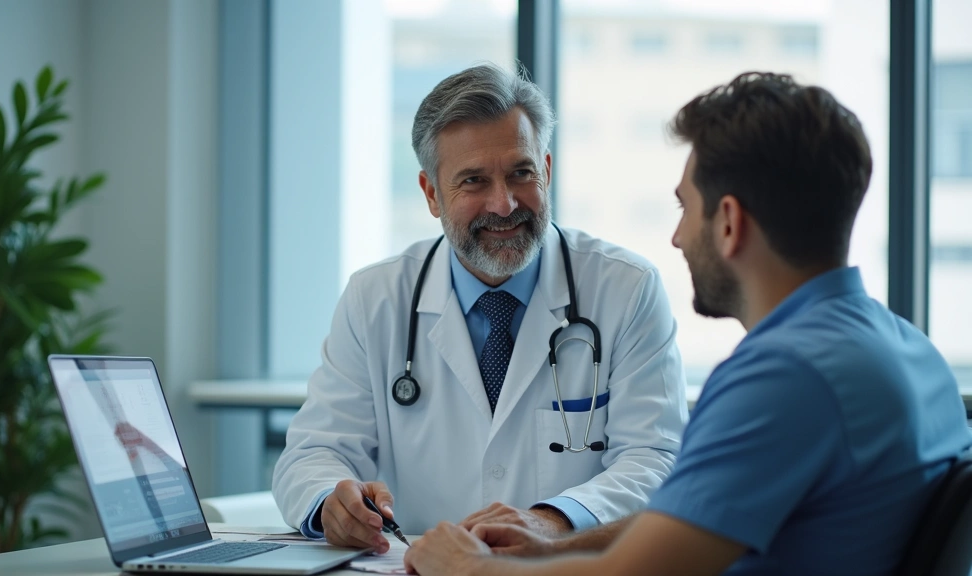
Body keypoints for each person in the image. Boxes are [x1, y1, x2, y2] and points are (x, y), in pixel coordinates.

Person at [402, 72, 972, 576]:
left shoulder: (783, 380)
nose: (676, 238)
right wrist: (543, 548)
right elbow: (690, 523)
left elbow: (633, 572)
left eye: (685, 208)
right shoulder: (910, 352)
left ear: (727, 222)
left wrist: (469, 567)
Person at [271, 63, 688, 555]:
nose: (505, 203)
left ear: (547, 171)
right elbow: (315, 451)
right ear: (431, 193)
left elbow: (655, 459)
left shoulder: (626, 289)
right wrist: (330, 501)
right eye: (473, 181)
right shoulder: (375, 298)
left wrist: (552, 520)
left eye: (521, 172)